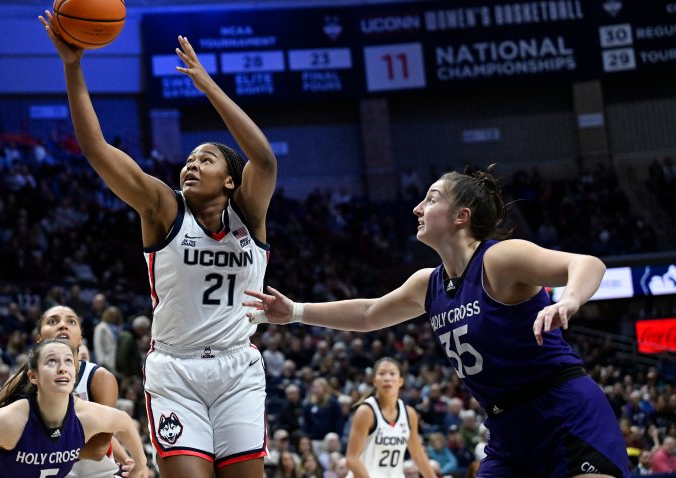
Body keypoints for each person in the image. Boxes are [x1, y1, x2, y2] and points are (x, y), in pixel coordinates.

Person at [245, 166, 630, 477]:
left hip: (565, 413)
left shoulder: (499, 260)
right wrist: (294, 312)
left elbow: (586, 263)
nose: (416, 208)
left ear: (462, 216)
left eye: (430, 199)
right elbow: (367, 314)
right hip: (508, 433)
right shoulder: (427, 284)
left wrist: (571, 301)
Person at [40, 10, 278, 478]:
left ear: (230, 180)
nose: (190, 165)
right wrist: (73, 67)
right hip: (176, 372)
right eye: (187, 159)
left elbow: (264, 158)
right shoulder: (163, 209)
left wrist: (207, 85)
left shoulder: (249, 215)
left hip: (238, 371)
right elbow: (97, 149)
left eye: (205, 160)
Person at [0, 339, 148, 478]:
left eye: (68, 362)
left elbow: (125, 423)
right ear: (33, 376)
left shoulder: (85, 416)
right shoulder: (10, 421)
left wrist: (140, 464)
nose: (63, 368)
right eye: (52, 362)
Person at [0, 306, 131, 477]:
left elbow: (98, 449)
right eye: (53, 321)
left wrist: (32, 450)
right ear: (39, 339)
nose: (62, 325)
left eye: (71, 321)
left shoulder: (99, 378)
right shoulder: (18, 381)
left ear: (80, 338)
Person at [345, 358, 435, 478]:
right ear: (374, 381)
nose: (387, 378)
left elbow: (417, 454)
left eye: (392, 373)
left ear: (401, 381)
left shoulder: (409, 413)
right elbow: (352, 459)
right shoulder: (366, 412)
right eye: (381, 374)